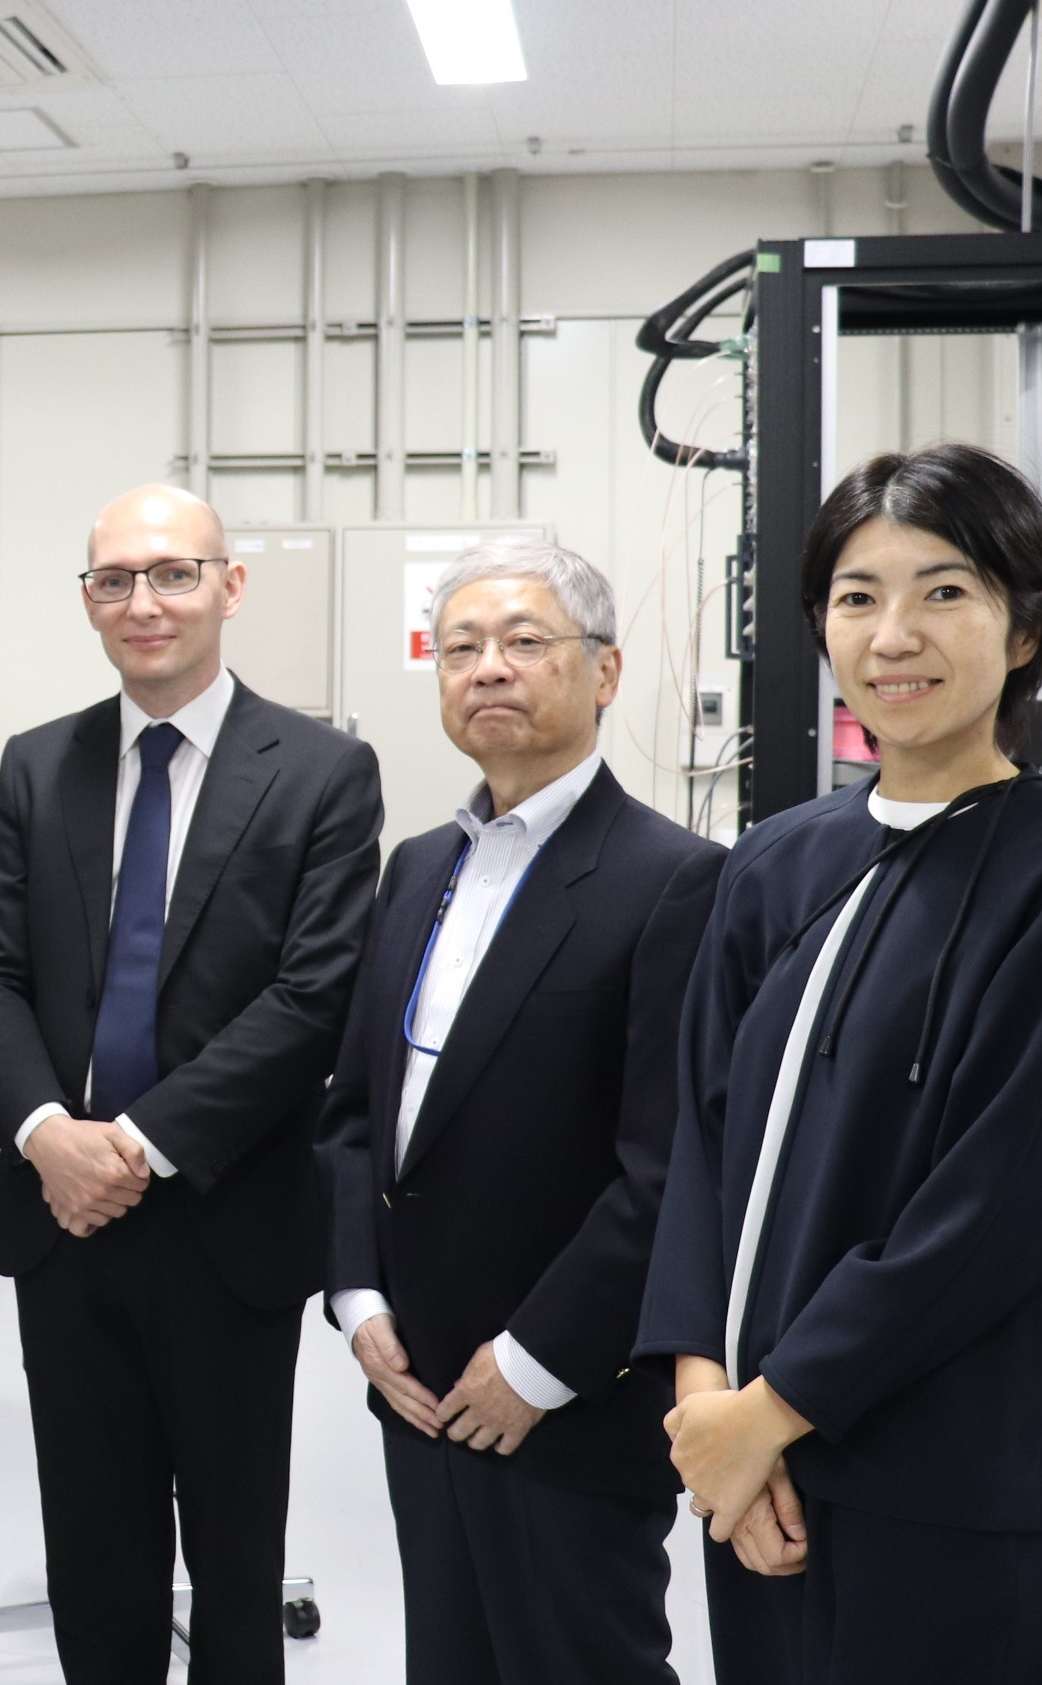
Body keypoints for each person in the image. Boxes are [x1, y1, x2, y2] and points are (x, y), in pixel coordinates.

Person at [636, 441, 1042, 1685]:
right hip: (754, 1477)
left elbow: (995, 1209)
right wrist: (708, 1405)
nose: (893, 634)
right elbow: (700, 1139)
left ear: (1026, 629)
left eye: (943, 591)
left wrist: (771, 1409)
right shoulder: (774, 863)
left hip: (942, 1487)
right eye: (857, 596)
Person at [0, 483, 382, 1683]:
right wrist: (48, 1133)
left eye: (172, 573)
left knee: (235, 1575)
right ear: (88, 599)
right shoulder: (40, 764)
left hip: (224, 1220)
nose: (142, 601)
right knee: (94, 1564)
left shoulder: (321, 771)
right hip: (62, 1224)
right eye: (114, 579)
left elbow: (310, 998)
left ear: (228, 587)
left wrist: (129, 1145)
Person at [315, 540, 723, 1684]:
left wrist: (536, 1360)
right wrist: (356, 1298)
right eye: (459, 647)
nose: (486, 667)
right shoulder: (416, 866)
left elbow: (666, 1167)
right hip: (418, 1385)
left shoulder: (674, 878)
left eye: (523, 641)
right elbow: (354, 1110)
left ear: (605, 670)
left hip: (567, 1402)